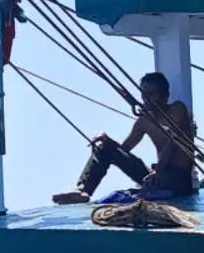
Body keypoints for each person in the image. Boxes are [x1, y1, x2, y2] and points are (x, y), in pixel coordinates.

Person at [53, 73, 196, 203]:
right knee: (104, 147)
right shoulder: (143, 121)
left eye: (151, 94)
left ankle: (152, 185)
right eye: (143, 95)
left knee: (155, 181)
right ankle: (83, 190)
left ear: (165, 96)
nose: (146, 100)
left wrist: (158, 170)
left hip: (177, 179)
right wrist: (107, 142)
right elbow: (123, 151)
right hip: (156, 178)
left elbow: (173, 142)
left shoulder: (177, 109)